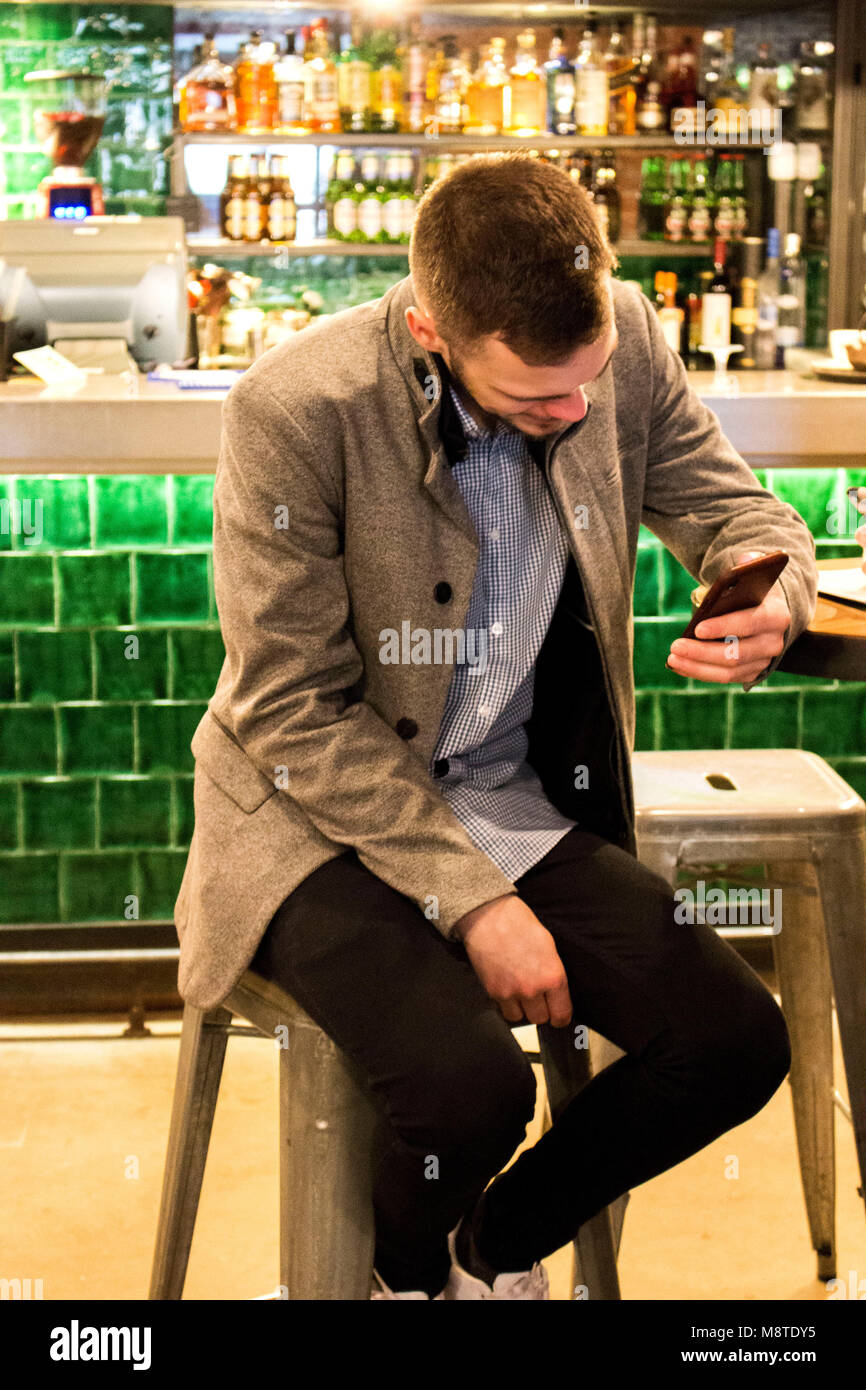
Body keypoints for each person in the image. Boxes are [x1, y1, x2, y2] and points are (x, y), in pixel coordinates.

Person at [173, 154, 819, 1301]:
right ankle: (398, 1274)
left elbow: (733, 505)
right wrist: (471, 899)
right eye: (535, 401)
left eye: (587, 388)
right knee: (466, 1088)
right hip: (314, 815)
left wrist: (765, 588)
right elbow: (287, 710)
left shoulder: (617, 335)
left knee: (731, 1041)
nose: (572, 416)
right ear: (430, 329)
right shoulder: (294, 409)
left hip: (510, 795)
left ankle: (492, 1250)